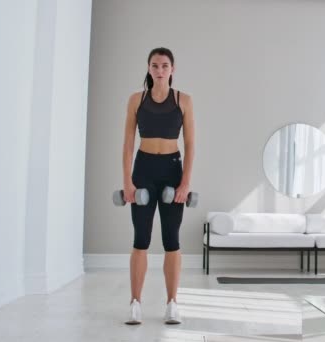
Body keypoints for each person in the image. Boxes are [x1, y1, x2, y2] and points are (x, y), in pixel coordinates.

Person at [122, 47, 195, 325]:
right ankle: (135, 303)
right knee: (140, 238)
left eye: (165, 65)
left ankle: (172, 303)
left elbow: (190, 144)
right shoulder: (135, 100)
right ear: (149, 68)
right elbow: (128, 143)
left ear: (172, 69)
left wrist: (185, 182)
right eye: (155, 65)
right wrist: (127, 180)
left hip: (172, 169)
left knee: (171, 240)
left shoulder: (184, 100)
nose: (160, 70)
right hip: (143, 169)